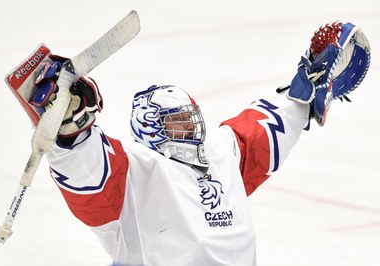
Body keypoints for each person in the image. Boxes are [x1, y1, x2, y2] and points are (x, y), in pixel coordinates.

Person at [25, 21, 370, 265]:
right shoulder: (135, 169)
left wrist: (305, 90)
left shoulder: (221, 151)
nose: (190, 129)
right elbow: (87, 169)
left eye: (191, 118)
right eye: (177, 122)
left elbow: (264, 129)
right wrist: (70, 124)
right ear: (150, 129)